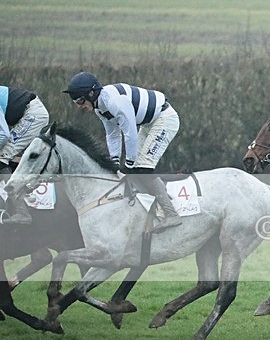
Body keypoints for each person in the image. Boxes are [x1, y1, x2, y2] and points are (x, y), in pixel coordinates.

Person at [63, 71, 182, 232]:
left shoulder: (114, 101)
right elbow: (113, 135)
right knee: (134, 170)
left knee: (143, 168)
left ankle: (171, 213)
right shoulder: (100, 108)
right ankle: (157, 203)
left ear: (91, 94)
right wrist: (114, 163)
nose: (79, 106)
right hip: (149, 123)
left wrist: (128, 164)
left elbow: (130, 132)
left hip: (164, 119)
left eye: (80, 100)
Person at [0, 84, 50, 224]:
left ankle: (21, 211)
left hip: (32, 114)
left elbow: (3, 135)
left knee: (2, 157)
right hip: (27, 113)